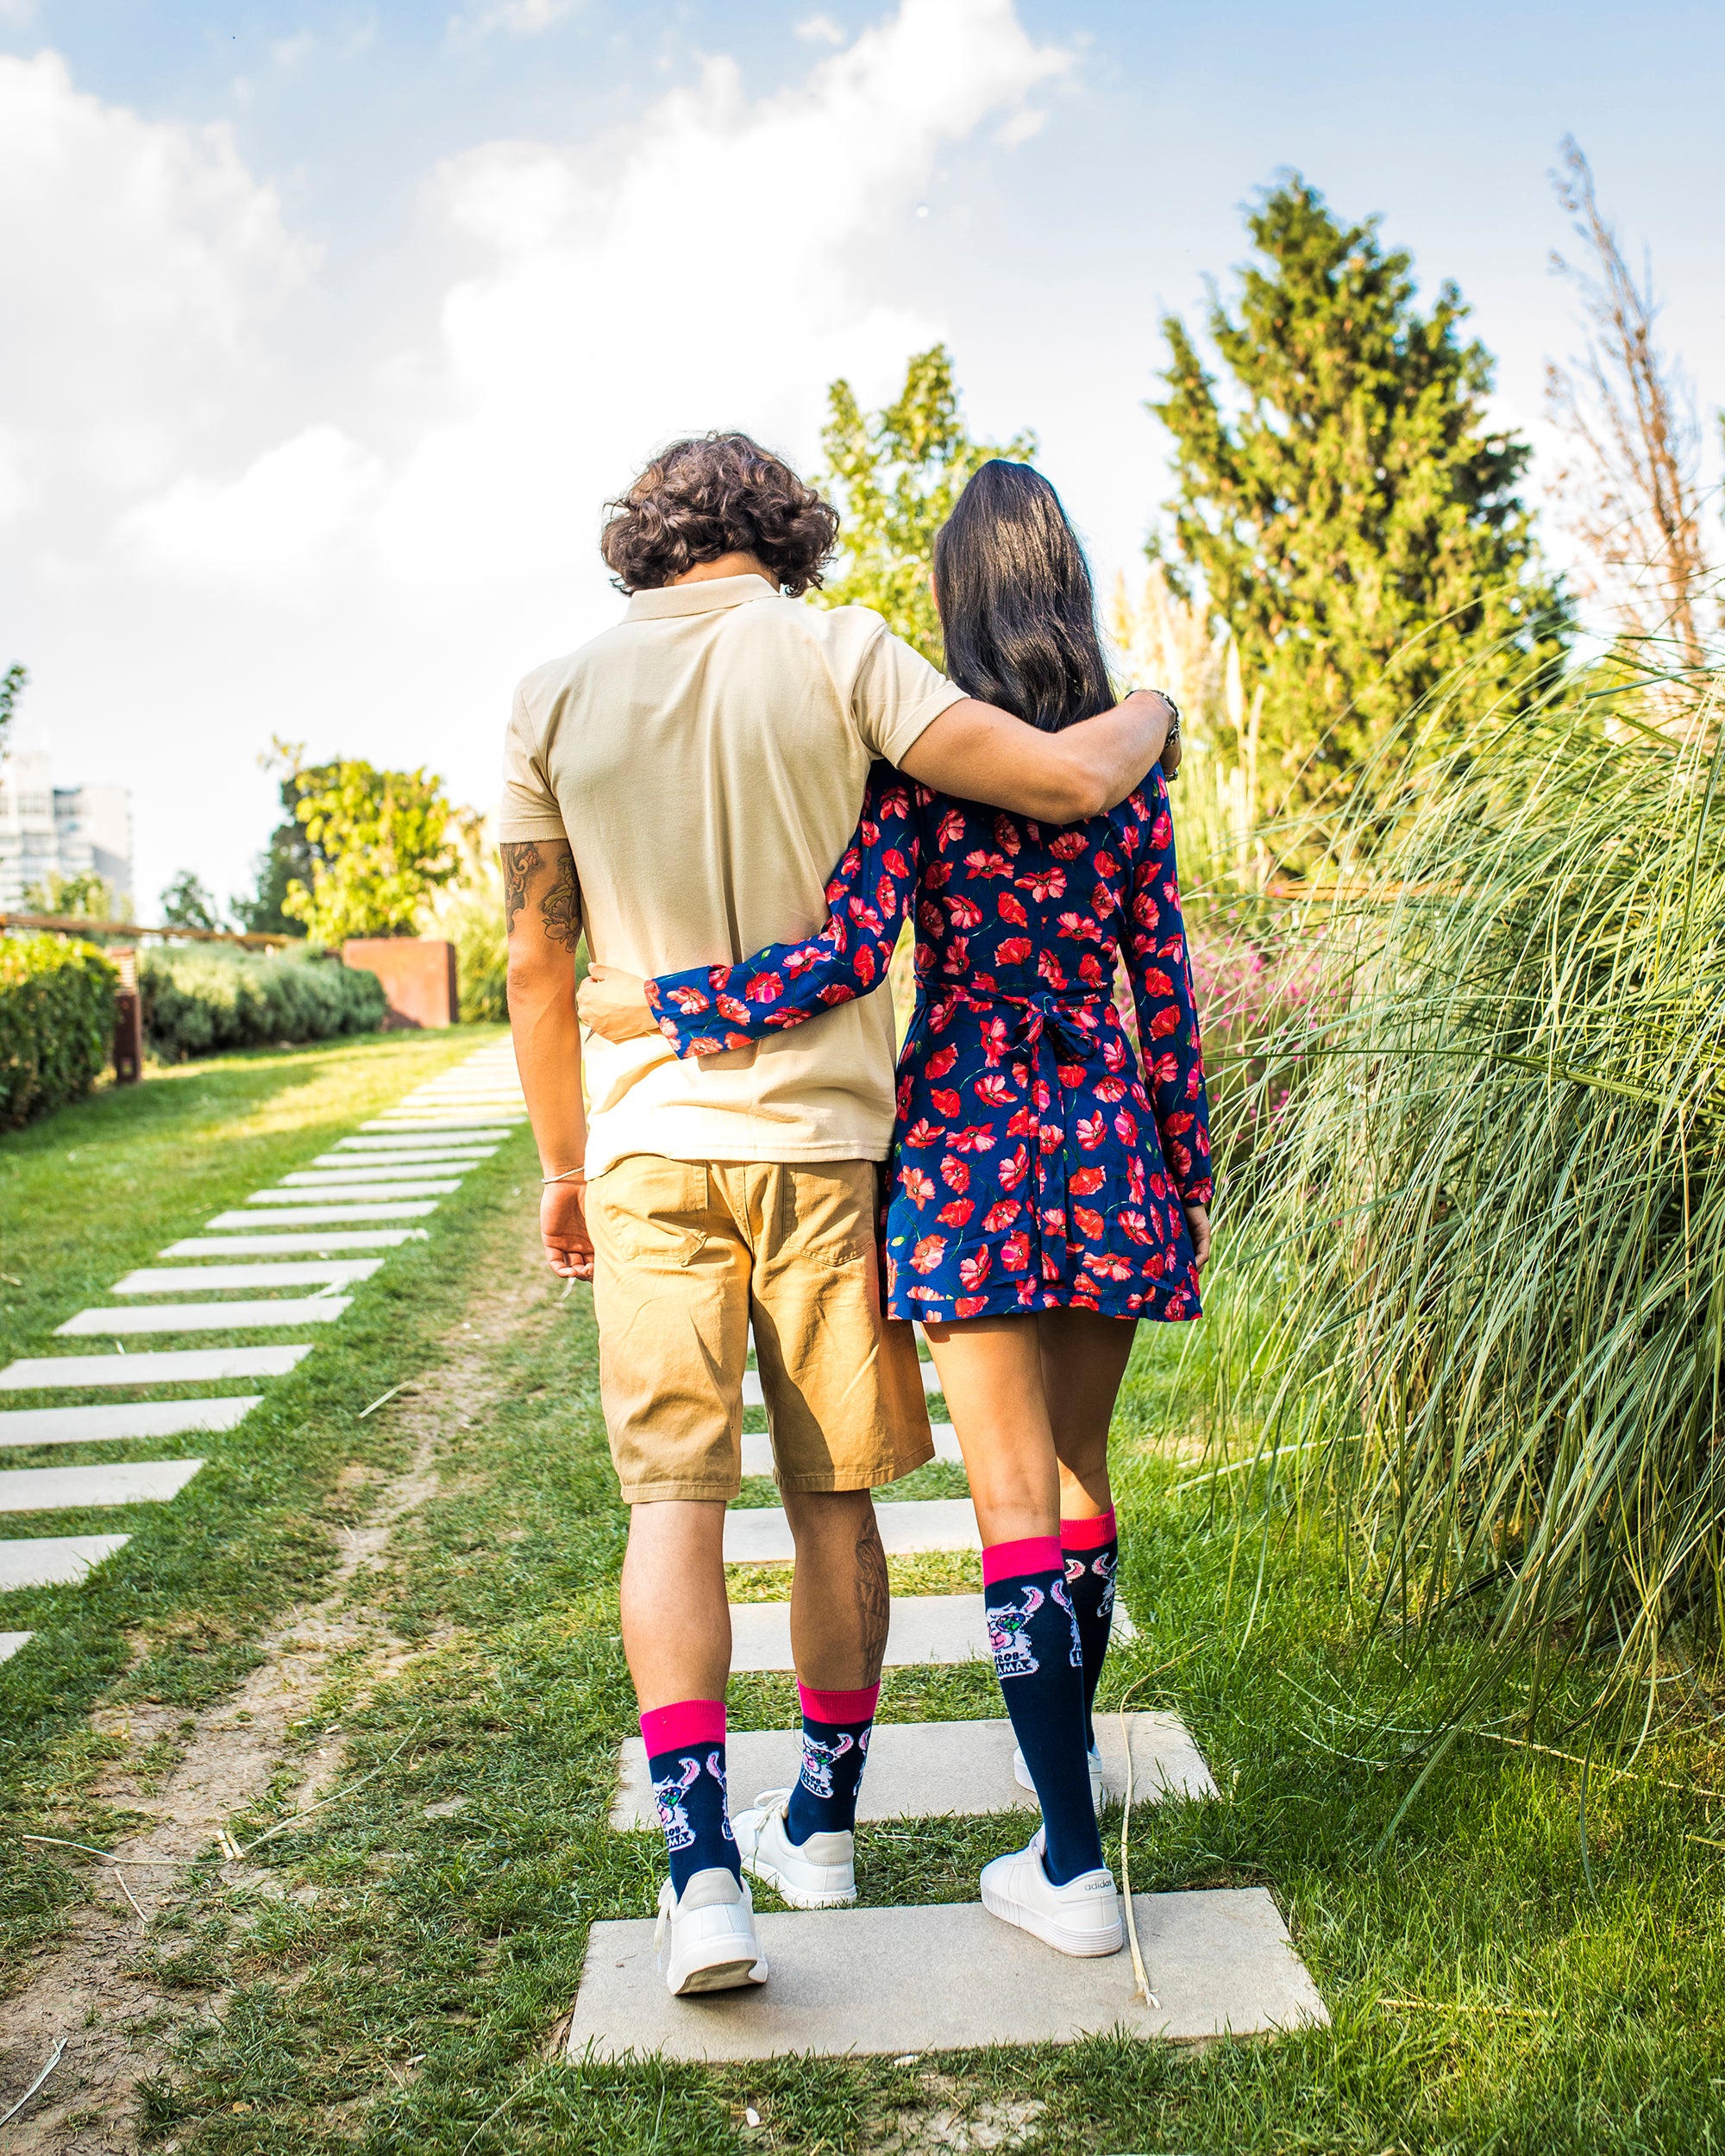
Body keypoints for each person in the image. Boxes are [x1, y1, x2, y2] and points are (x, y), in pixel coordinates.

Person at [501, 434, 1176, 1996]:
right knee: (843, 1505)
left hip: (673, 1147)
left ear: (646, 541)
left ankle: (700, 1868)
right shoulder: (841, 655)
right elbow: (1082, 826)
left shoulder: (547, 696)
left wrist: (576, 1144)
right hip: (844, 1146)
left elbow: (547, 963)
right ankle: (825, 1817)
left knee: (670, 1508)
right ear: (783, 537)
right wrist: (1151, 710)